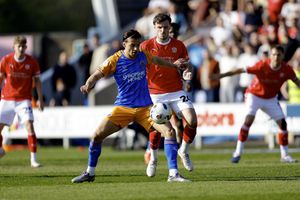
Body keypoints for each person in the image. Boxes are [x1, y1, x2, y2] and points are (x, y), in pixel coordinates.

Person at [71, 29, 191, 183]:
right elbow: (97, 74)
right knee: (96, 136)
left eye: (138, 45)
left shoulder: (143, 55)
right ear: (124, 44)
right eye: (132, 45)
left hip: (146, 109)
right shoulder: (115, 59)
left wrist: (173, 65)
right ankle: (90, 173)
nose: (136, 49)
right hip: (123, 108)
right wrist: (88, 84)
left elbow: (158, 61)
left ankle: (173, 174)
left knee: (169, 132)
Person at [211, 45, 300, 163]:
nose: (276, 57)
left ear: (283, 56)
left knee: (283, 124)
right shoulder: (262, 65)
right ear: (270, 56)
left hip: (271, 99)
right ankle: (238, 152)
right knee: (249, 120)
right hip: (254, 95)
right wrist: (222, 75)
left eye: (278, 55)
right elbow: (240, 70)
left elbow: (296, 81)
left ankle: (285, 155)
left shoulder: (287, 69)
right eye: (273, 54)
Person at [140, 13, 198, 177]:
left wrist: (187, 73)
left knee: (192, 121)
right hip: (155, 94)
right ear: (155, 28)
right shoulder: (146, 46)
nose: (163, 30)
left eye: (165, 27)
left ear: (169, 27)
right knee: (159, 128)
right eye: (159, 27)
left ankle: (184, 151)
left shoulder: (179, 45)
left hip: (176, 91)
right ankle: (153, 158)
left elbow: (188, 66)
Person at [0, 36, 44, 167]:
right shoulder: (6, 60)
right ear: (14, 47)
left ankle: (33, 159)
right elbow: (1, 78)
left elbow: (37, 81)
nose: (21, 49)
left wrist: (40, 99)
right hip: (7, 98)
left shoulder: (32, 62)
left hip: (24, 99)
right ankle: (1, 149)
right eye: (19, 46)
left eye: (24, 46)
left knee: (29, 125)